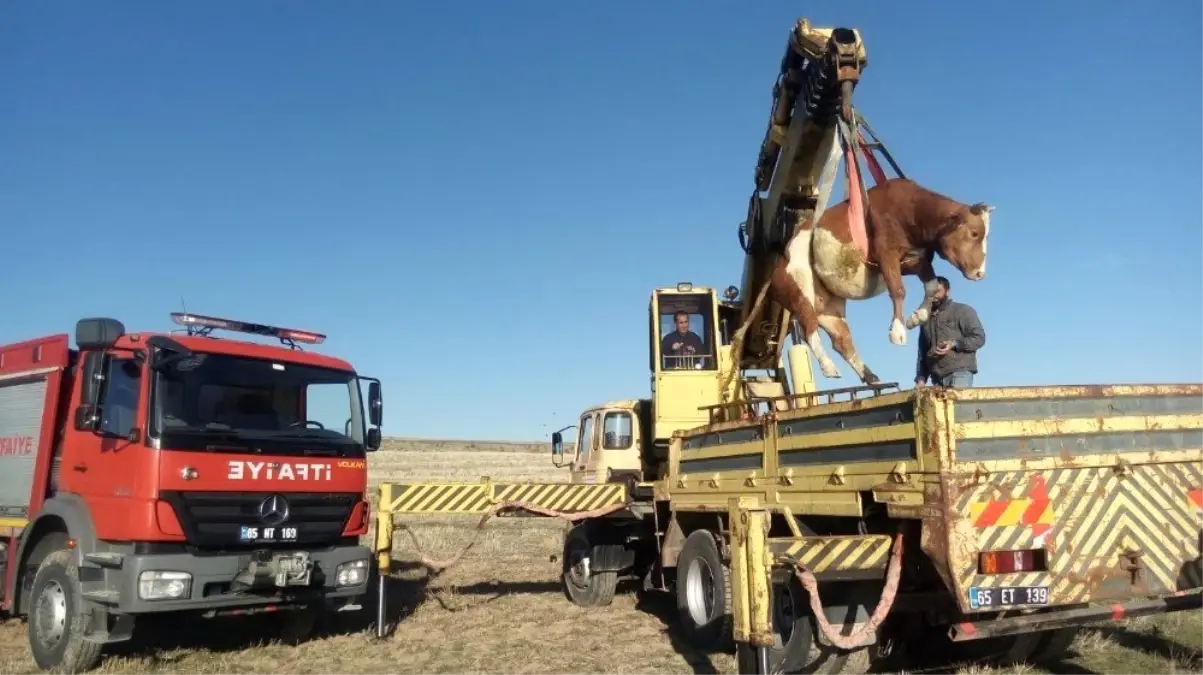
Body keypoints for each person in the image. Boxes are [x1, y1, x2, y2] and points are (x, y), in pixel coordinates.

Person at [914, 276, 985, 388]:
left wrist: (954, 344)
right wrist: (921, 379)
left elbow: (979, 338)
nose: (934, 296)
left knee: (957, 405)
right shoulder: (925, 319)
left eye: (937, 292)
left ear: (948, 292)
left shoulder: (963, 310)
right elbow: (922, 352)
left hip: (960, 373)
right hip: (936, 378)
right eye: (930, 292)